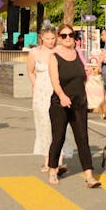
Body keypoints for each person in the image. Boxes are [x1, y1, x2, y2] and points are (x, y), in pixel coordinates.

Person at [47, 24, 101, 188]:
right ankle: (52, 170)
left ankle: (89, 176)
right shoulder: (54, 57)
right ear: (59, 37)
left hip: (79, 102)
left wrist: (88, 73)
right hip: (60, 103)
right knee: (59, 138)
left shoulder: (78, 54)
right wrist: (62, 96)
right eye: (64, 36)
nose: (68, 38)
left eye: (71, 35)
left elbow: (82, 77)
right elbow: (55, 81)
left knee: (82, 138)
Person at [28, 28, 71, 173]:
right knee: (44, 126)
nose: (51, 41)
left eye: (53, 38)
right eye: (48, 38)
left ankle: (59, 160)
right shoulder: (34, 52)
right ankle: (47, 160)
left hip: (58, 91)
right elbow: (30, 71)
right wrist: (36, 85)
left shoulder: (61, 50)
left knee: (60, 125)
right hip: (41, 93)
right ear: (41, 38)